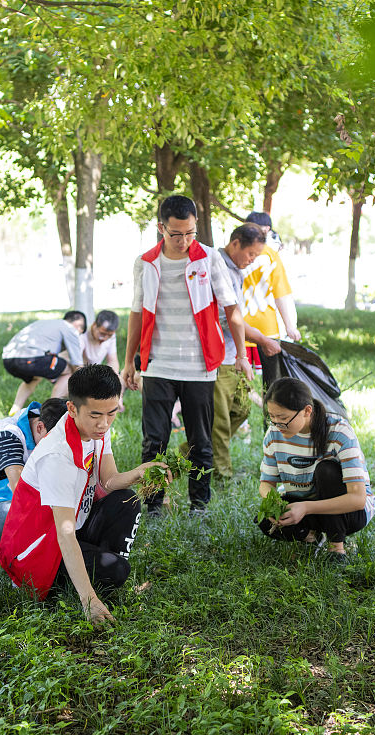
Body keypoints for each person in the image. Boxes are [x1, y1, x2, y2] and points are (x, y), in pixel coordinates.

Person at [0, 365, 163, 624]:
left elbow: (108, 481)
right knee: (117, 570)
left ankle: (95, 571)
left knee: (126, 500)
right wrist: (89, 600)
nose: (104, 423)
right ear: (72, 409)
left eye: (112, 413)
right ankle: (84, 585)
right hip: (36, 553)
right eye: (96, 415)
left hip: (69, 530)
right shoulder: (57, 454)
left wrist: (140, 472)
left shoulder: (97, 430)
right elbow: (63, 533)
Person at [121, 195, 253, 514]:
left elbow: (232, 308)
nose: (184, 241)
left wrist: (242, 356)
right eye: (176, 234)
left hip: (199, 367)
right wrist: (129, 361)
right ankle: (152, 505)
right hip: (157, 365)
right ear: (160, 228)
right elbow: (137, 312)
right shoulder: (146, 262)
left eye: (190, 233)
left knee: (200, 441)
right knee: (154, 441)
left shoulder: (207, 258)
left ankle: (199, 505)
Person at [258, 377, 375, 564]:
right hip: (306, 505)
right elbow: (266, 484)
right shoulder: (273, 434)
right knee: (264, 520)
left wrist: (305, 508)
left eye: (283, 419)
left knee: (326, 470)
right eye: (272, 417)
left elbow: (358, 499)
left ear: (307, 411)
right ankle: (310, 538)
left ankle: (337, 548)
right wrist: (275, 505)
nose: (277, 425)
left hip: (349, 512)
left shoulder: (339, 431)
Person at [0, 398, 69, 563]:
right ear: (40, 427)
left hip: (30, 506)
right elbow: (20, 490)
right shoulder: (6, 434)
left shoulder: (50, 428)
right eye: (58, 444)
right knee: (8, 512)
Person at [211, 224, 275, 480]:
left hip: (233, 355)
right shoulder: (218, 267)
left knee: (242, 408)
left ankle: (189, 453)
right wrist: (261, 340)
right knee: (221, 421)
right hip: (217, 358)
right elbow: (227, 318)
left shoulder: (235, 270)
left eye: (256, 257)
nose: (251, 262)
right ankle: (223, 477)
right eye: (250, 255)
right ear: (235, 243)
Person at [243, 211, 301, 404]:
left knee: (238, 380)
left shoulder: (233, 252)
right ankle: (272, 421)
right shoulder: (271, 256)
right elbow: (280, 294)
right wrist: (290, 326)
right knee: (272, 383)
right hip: (266, 329)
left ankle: (243, 423)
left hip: (238, 327)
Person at [2, 311, 87, 415]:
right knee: (70, 371)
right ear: (78, 326)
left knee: (34, 378)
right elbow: (77, 365)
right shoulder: (70, 329)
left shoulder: (47, 323)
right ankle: (52, 411)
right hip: (33, 358)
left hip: (8, 359)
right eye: (80, 334)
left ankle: (15, 409)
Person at [81, 310, 124, 411]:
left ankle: (116, 402)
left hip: (96, 371)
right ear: (94, 325)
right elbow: (76, 365)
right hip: (80, 372)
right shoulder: (82, 335)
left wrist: (114, 379)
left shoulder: (110, 337)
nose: (105, 338)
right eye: (102, 334)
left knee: (121, 377)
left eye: (109, 335)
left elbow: (113, 360)